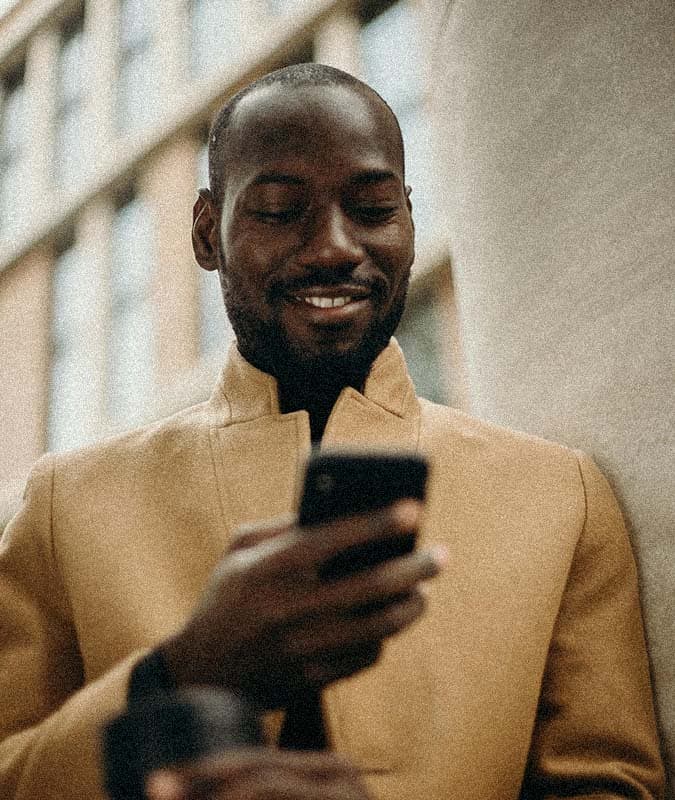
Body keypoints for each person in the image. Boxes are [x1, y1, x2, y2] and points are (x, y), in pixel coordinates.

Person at [0, 64, 665, 800]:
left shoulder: (559, 496)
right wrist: (181, 674)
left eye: (374, 208)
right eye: (282, 211)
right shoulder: (69, 502)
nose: (333, 247)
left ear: (409, 221)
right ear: (204, 232)